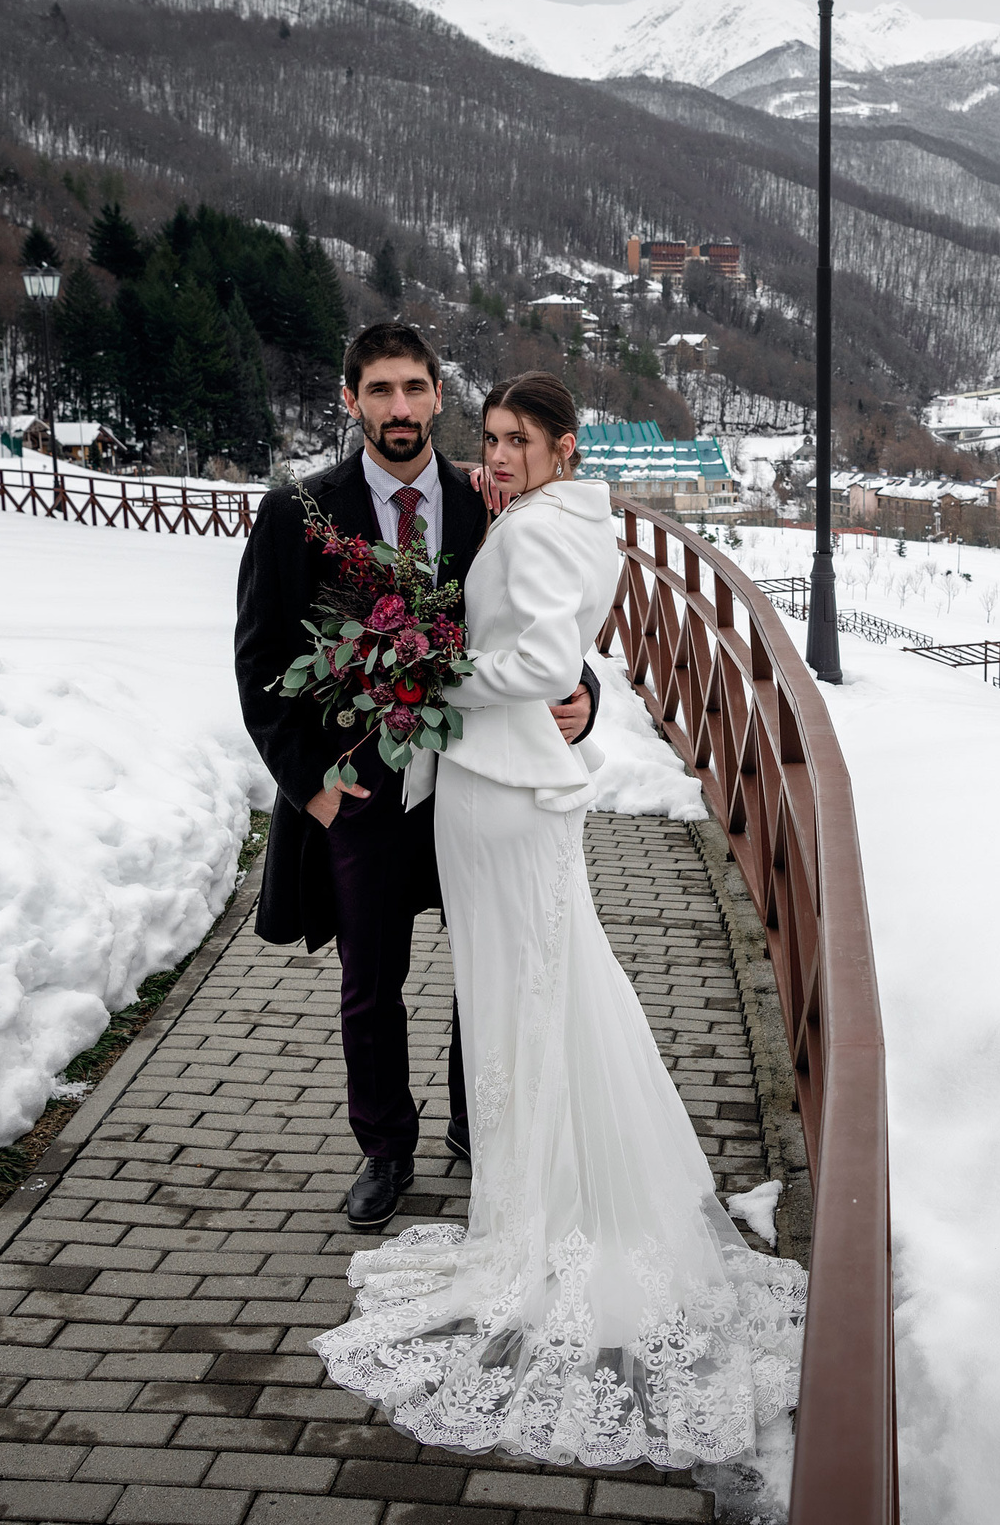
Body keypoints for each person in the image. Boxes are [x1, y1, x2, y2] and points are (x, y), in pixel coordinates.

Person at [313, 372, 806, 1471]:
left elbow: (537, 660)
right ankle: (541, 1190)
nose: (494, 456)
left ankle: (540, 1221)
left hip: (497, 784)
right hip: (516, 787)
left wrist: (425, 667)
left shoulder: (534, 530)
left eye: (515, 441)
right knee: (545, 988)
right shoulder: (573, 521)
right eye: (486, 438)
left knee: (520, 997)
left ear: (565, 448)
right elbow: (544, 644)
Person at [235, 324, 598, 1231]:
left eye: (416, 389)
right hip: (362, 792)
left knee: (494, 960)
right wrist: (309, 782)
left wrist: (582, 697)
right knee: (372, 977)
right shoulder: (300, 513)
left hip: (480, 783)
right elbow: (261, 660)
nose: (400, 408)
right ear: (350, 398)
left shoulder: (494, 502)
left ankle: (482, 1126)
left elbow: (548, 626)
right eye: (381, 390)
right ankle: (385, 1147)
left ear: (440, 395)